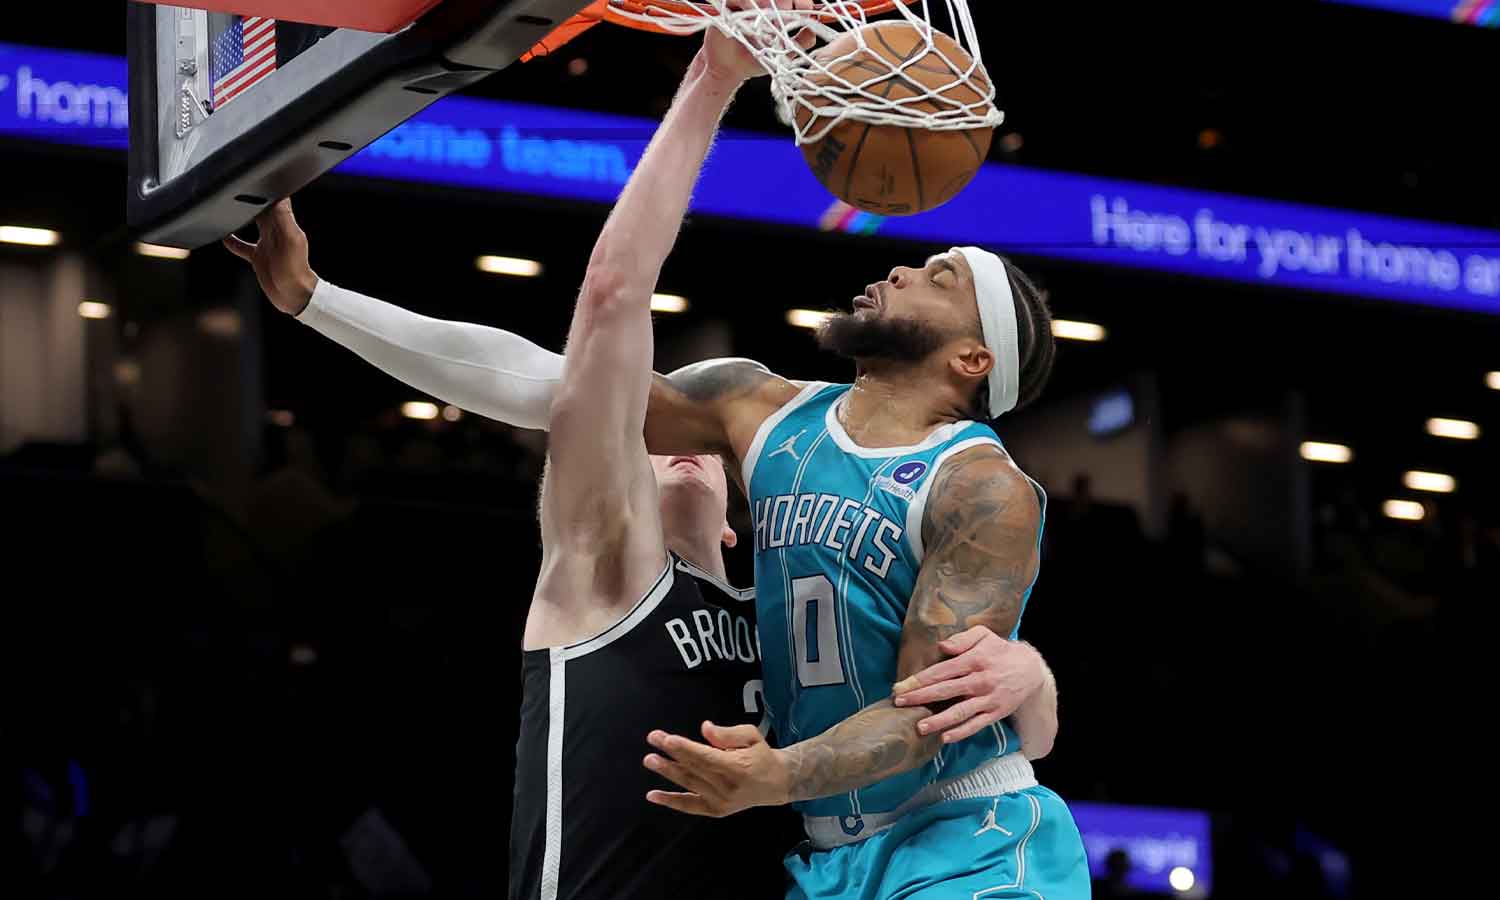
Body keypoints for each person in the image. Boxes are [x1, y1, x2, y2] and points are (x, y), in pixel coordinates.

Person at [226, 6, 1063, 898]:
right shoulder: (756, 409)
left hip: (960, 835)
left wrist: (1029, 680)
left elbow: (936, 707)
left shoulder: (980, 486)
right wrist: (317, 303)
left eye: (938, 278)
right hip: (823, 855)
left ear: (974, 361)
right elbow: (557, 383)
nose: (899, 268)